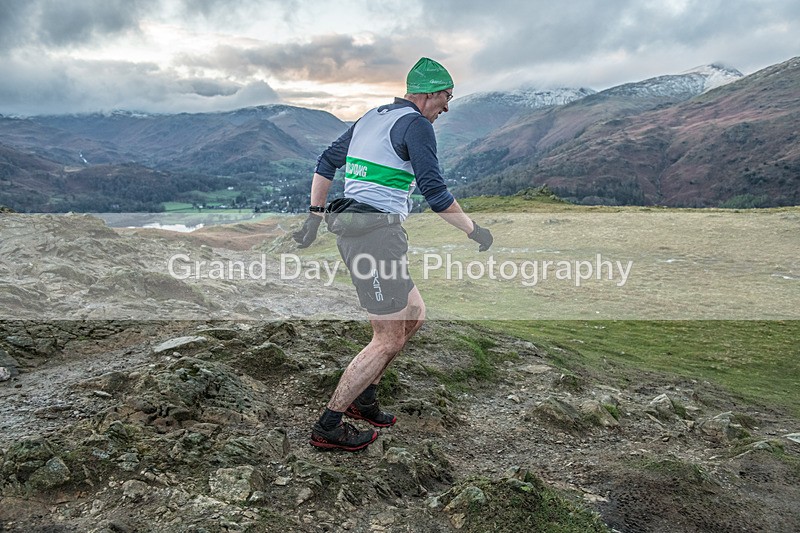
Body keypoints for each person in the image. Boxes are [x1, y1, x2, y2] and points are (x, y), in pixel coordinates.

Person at [293, 57, 494, 451]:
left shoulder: (373, 116)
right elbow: (435, 192)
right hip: (374, 238)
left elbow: (327, 161)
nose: (447, 107)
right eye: (447, 97)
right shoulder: (416, 125)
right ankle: (328, 425)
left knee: (414, 314)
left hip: (367, 232)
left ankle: (364, 397)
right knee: (387, 339)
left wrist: (315, 217)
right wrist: (474, 230)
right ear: (430, 94)